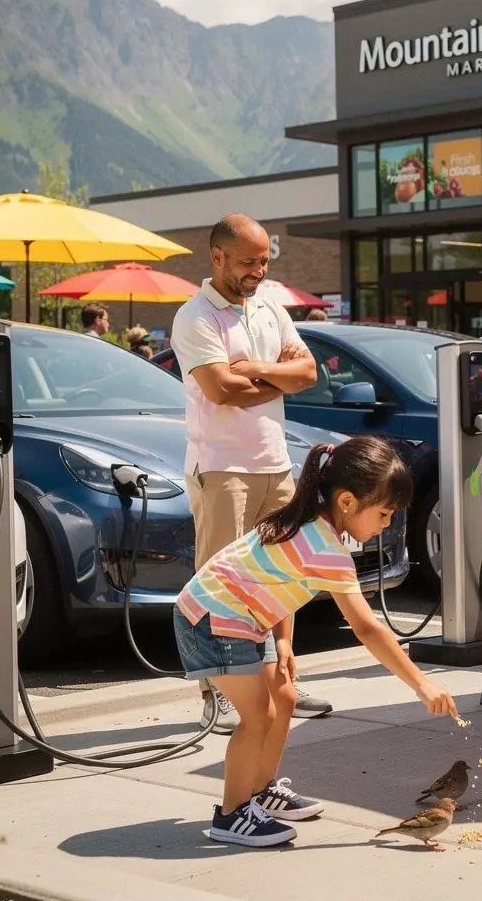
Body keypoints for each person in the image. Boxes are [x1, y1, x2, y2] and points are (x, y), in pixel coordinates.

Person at [174, 435, 457, 847]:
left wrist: (284, 641)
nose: (386, 524)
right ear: (346, 502)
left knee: (284, 698)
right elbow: (367, 628)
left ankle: (261, 791)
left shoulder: (311, 523)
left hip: (246, 617)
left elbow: (281, 581)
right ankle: (231, 814)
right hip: (211, 617)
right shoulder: (326, 548)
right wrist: (421, 683)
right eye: (383, 513)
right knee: (258, 716)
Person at [170, 212, 330, 734]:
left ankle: (280, 677)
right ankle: (213, 694)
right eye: (247, 262)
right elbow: (220, 390)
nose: (258, 270)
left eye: (264, 260)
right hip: (221, 469)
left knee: (281, 576)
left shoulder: (269, 307)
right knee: (217, 583)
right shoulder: (194, 316)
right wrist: (274, 379)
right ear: (216, 257)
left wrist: (256, 371)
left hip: (275, 463)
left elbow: (308, 372)